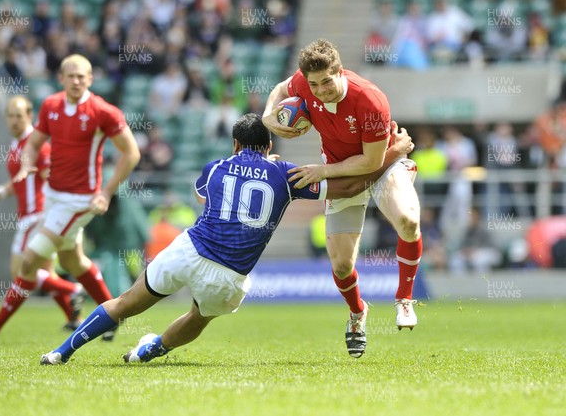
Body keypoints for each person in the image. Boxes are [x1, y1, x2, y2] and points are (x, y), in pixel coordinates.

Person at [39, 113, 413, 365]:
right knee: (199, 317)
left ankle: (59, 354)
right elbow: (347, 186)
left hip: (189, 250)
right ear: (268, 146)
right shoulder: (286, 174)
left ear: (236, 144)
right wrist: (390, 155)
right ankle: (149, 351)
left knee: (123, 304)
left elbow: (206, 196)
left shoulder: (215, 166)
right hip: (230, 275)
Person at [262, 39, 422, 358]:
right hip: (340, 172)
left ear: (340, 71)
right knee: (341, 263)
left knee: (408, 220)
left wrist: (322, 171)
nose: (320, 91)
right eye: (314, 85)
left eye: (326, 82)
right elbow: (281, 88)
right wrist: (268, 118)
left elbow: (371, 163)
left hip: (383, 163)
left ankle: (404, 298)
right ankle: (357, 313)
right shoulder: (304, 84)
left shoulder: (371, 101)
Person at [0, 55, 139, 345]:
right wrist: (25, 166)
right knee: (72, 260)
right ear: (60, 78)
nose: (76, 81)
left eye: (82, 76)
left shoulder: (102, 111)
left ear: (90, 79)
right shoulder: (51, 106)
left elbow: (132, 153)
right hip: (53, 197)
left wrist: (106, 192)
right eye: (70, 75)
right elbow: (33, 144)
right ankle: (113, 312)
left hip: (80, 200)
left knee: (28, 263)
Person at [0, 96, 84, 343]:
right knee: (44, 272)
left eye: (19, 115)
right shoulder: (17, 144)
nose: (14, 120)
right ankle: (75, 319)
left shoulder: (36, 144)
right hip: (31, 216)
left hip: (36, 216)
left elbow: (51, 174)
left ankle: (71, 289)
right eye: (10, 115)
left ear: (30, 116)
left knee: (20, 273)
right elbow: (21, 179)